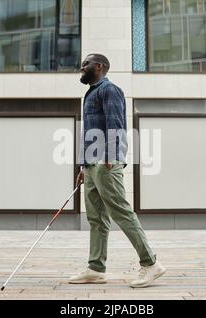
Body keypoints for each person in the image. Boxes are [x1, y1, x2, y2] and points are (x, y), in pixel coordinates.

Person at [69, 53, 166, 288]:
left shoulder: (109, 90)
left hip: (106, 163)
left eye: (86, 64)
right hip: (93, 165)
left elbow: (117, 124)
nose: (82, 67)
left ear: (99, 67)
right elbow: (91, 132)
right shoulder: (91, 92)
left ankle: (151, 264)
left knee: (121, 212)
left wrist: (112, 157)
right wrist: (84, 164)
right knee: (96, 218)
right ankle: (96, 268)